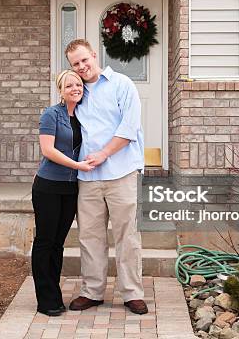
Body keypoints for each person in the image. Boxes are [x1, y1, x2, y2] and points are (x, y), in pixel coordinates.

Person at [64, 39, 147, 315]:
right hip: (87, 178)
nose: (82, 67)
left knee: (127, 235)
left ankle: (132, 293)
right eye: (75, 64)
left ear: (94, 55)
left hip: (120, 172)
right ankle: (92, 291)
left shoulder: (121, 84)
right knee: (90, 237)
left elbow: (129, 127)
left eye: (84, 60)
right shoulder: (75, 92)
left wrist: (103, 154)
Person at [31, 69, 95, 317]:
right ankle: (45, 299)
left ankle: (54, 294)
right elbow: (48, 150)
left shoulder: (82, 115)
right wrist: (78, 166)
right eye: (69, 86)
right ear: (60, 90)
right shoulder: (51, 114)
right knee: (45, 241)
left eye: (78, 84)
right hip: (48, 186)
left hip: (70, 188)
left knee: (58, 243)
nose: (75, 89)